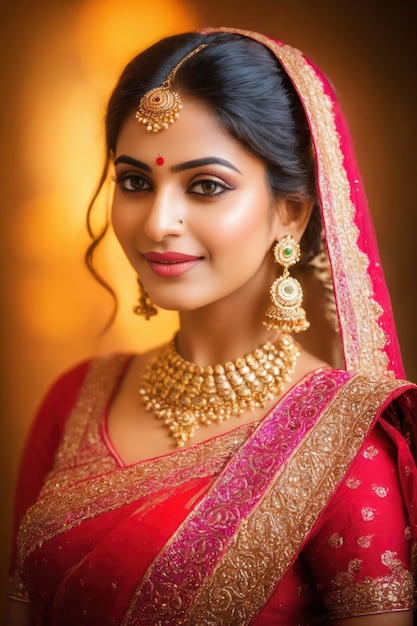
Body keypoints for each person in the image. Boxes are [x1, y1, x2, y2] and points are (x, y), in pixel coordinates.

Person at [6, 26, 417, 626]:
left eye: (205, 186)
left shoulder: (344, 444)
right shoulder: (75, 401)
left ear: (290, 212)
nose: (158, 222)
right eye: (136, 181)